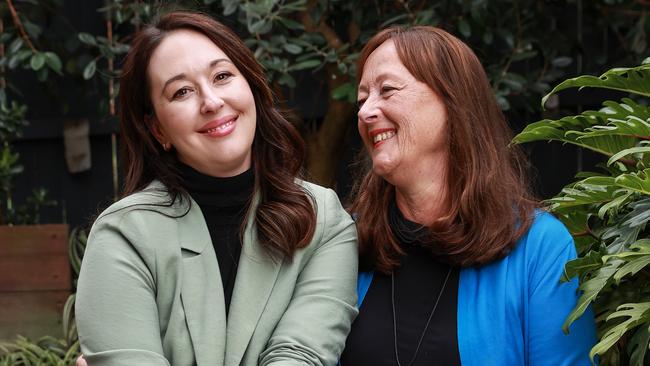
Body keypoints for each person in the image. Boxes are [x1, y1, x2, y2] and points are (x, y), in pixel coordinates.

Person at [75, 11, 358, 366]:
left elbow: (300, 356)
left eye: (222, 76)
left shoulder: (324, 221)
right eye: (181, 92)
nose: (211, 102)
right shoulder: (124, 235)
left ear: (251, 87)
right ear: (157, 129)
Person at [339, 26, 597, 366]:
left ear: (452, 101)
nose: (365, 111)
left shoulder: (540, 248)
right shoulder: (343, 243)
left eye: (387, 90)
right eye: (362, 99)